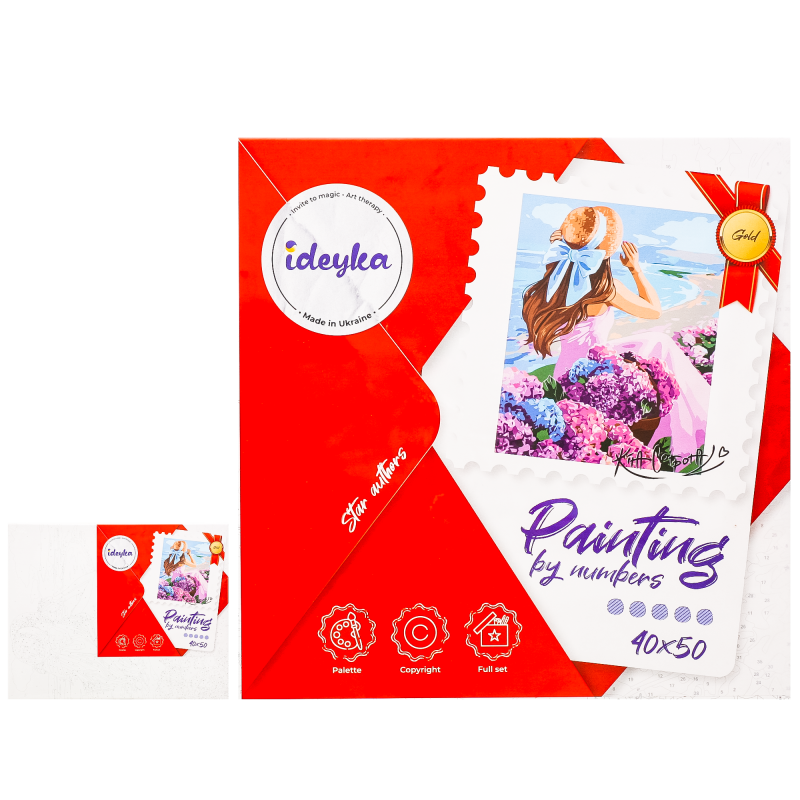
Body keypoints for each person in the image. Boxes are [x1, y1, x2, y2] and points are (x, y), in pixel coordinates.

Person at [521, 205, 710, 456]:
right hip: (595, 372)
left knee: (655, 342)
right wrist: (635, 268)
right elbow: (654, 310)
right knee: (660, 342)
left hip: (565, 372)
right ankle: (681, 431)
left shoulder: (555, 281)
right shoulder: (607, 289)